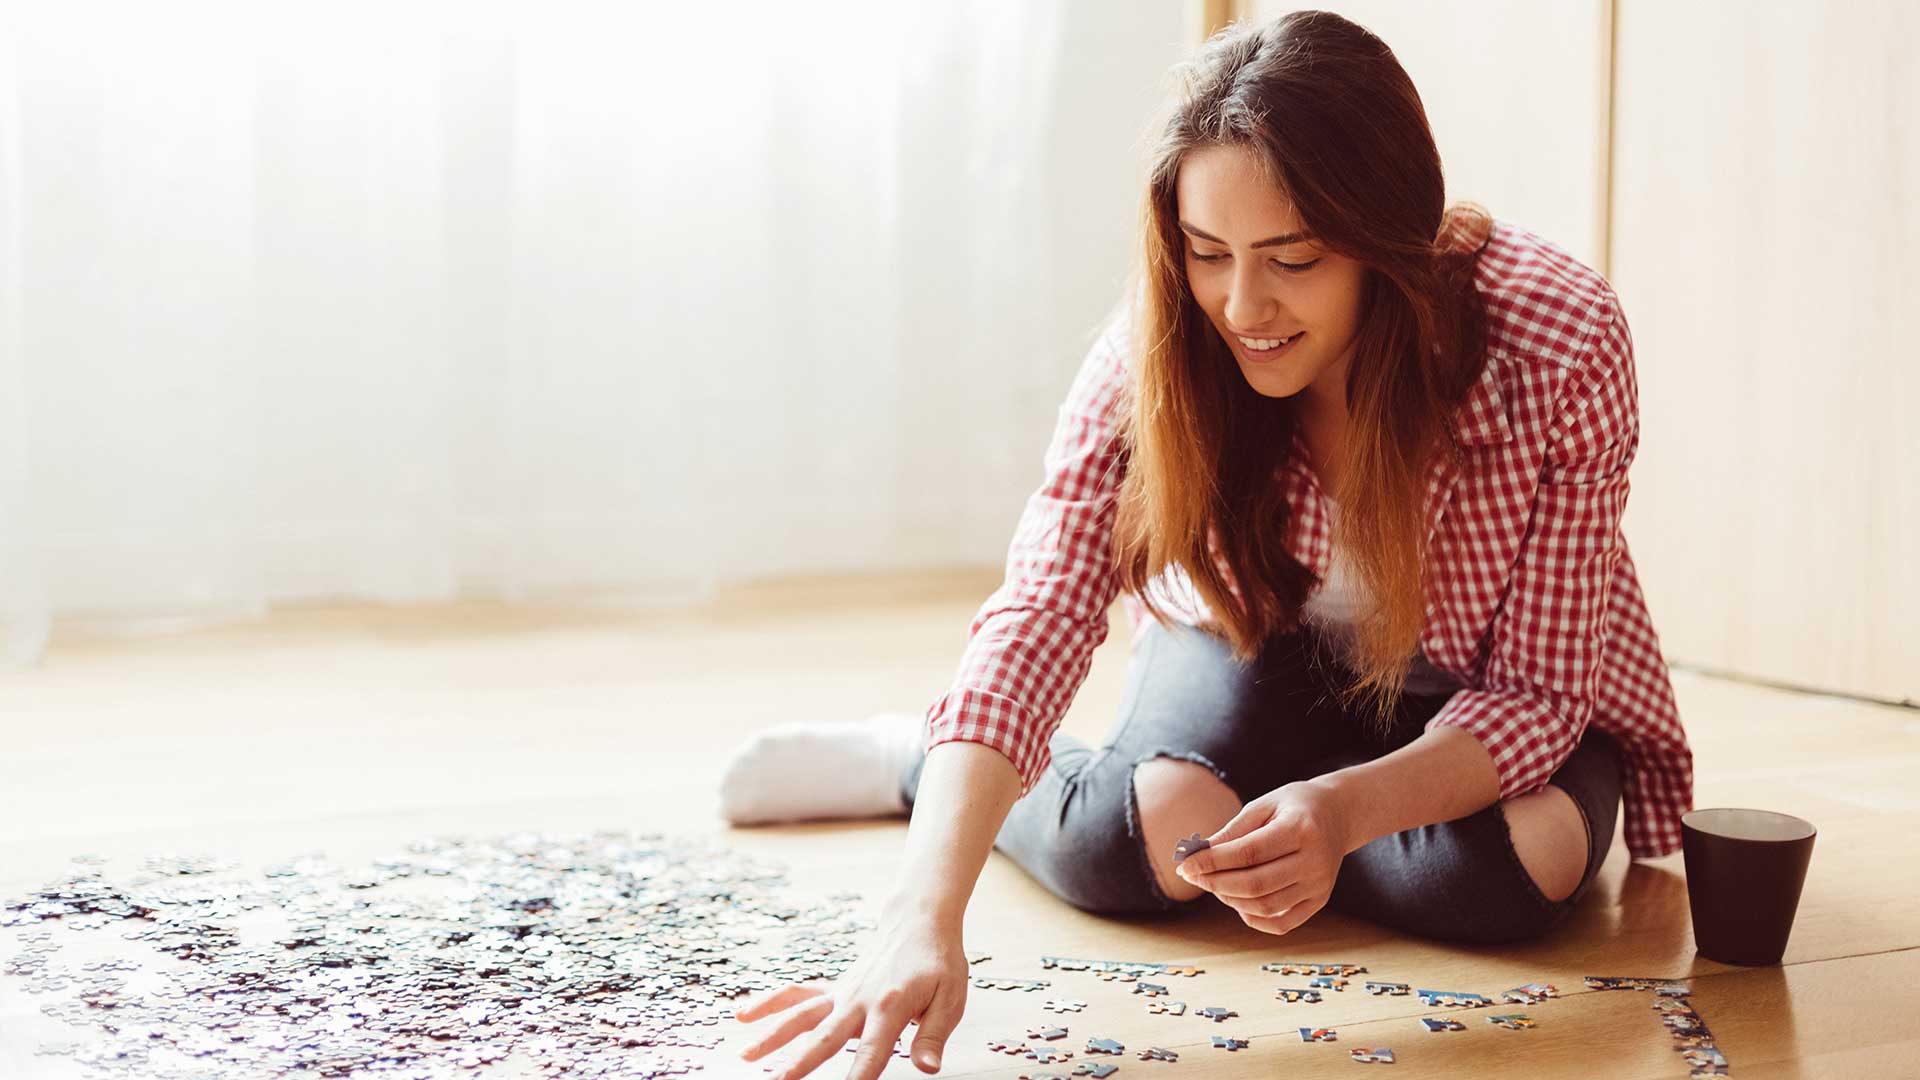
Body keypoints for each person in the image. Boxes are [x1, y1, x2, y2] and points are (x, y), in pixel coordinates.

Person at [716, 11, 1694, 1080]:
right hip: (1252, 638)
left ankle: (1309, 818)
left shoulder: (1556, 337)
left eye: (1295, 258)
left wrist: (1345, 806)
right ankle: (917, 761)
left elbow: (1542, 693)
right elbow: (1041, 607)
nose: (1243, 305)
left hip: (1471, 681)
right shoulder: (1159, 344)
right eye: (1206, 252)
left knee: (1515, 871)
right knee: (1150, 835)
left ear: (1389, 239)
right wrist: (921, 909)